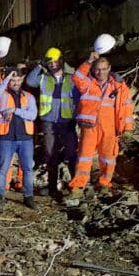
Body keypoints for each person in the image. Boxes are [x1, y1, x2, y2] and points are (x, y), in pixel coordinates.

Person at [69, 51, 135, 196]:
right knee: (84, 156)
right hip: (90, 126)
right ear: (93, 69)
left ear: (109, 68)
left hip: (110, 127)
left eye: (104, 69)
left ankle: (104, 184)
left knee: (108, 157)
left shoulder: (119, 86)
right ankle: (78, 186)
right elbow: (76, 77)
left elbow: (127, 106)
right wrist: (88, 61)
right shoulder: (87, 83)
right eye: (97, 69)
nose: (101, 72)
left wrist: (127, 128)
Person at [26, 47, 79, 196]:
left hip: (67, 122)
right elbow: (30, 81)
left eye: (56, 62)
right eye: (50, 63)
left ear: (61, 61)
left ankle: (76, 187)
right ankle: (51, 188)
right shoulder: (43, 77)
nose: (53, 65)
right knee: (51, 154)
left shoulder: (72, 76)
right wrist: (39, 66)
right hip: (49, 121)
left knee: (71, 154)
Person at [0, 68, 37, 210]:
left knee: (27, 169)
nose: (16, 83)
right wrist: (7, 78)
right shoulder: (3, 95)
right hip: (7, 137)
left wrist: (15, 111)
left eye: (18, 80)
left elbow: (32, 115)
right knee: (3, 169)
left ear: (22, 80)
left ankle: (28, 197)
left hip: (25, 138)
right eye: (13, 80)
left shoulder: (29, 96)